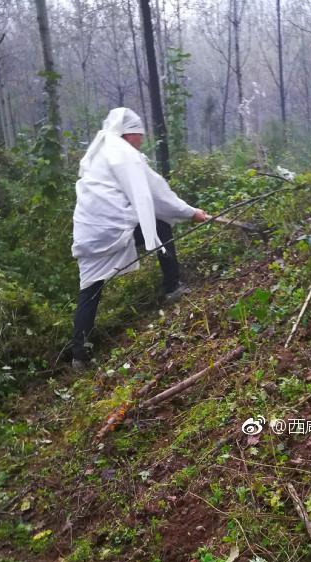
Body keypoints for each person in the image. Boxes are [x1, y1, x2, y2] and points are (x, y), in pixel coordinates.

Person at [71, 107, 209, 369]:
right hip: (111, 229)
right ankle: (172, 287)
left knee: (89, 290)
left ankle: (80, 355)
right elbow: (157, 196)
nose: (141, 140)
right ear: (128, 134)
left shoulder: (103, 151)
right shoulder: (124, 155)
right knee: (161, 226)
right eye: (138, 134)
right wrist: (191, 213)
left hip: (88, 232)